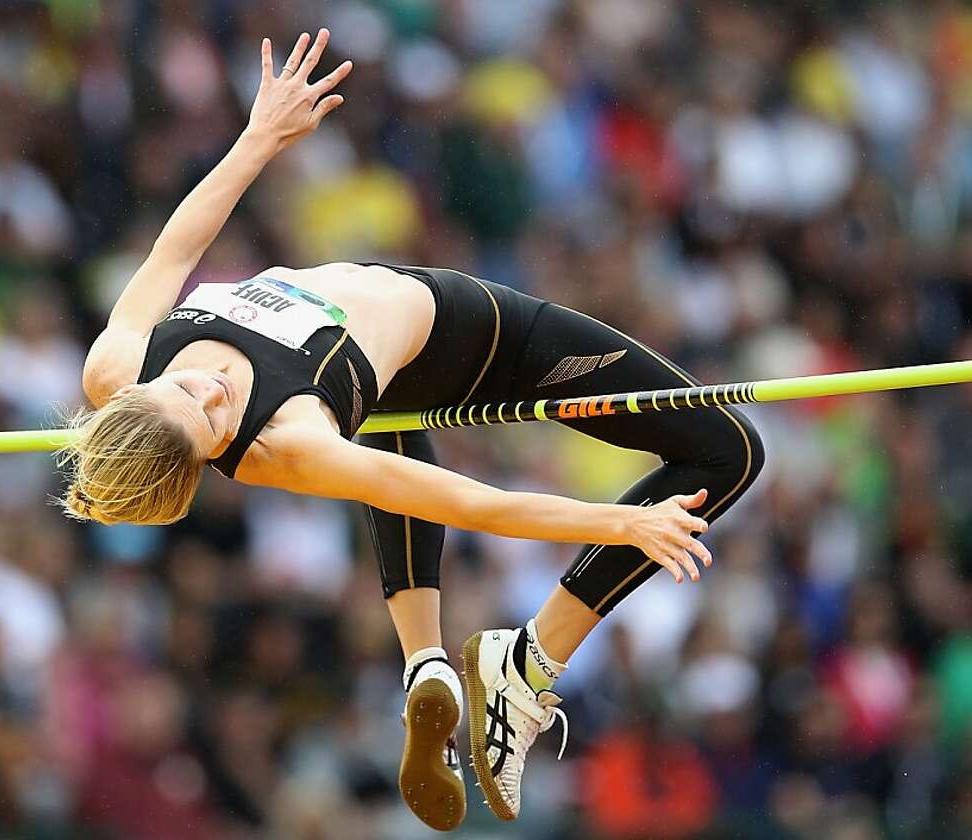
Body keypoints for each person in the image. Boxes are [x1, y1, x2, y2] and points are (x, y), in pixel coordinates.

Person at [61, 29, 764, 831]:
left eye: (186, 387)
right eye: (210, 417)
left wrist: (261, 135)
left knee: (389, 421)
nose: (212, 387)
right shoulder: (285, 440)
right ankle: (527, 666)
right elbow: (470, 502)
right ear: (211, 456)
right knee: (729, 451)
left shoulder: (116, 366)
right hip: (485, 343)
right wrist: (620, 522)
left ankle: (426, 659)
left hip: (389, 381)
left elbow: (177, 243)